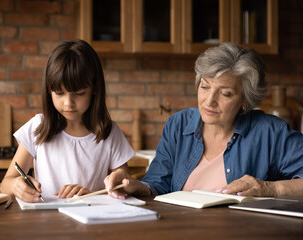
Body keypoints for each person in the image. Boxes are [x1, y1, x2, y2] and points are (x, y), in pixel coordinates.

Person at [105, 42, 303, 198]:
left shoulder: (269, 131)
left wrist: (271, 189)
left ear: (245, 101)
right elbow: (158, 184)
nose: (209, 101)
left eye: (225, 94)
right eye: (205, 87)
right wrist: (133, 185)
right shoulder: (178, 124)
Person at [0, 40, 135, 202]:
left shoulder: (109, 131)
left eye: (79, 93)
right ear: (49, 91)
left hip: (92, 220)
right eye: (59, 93)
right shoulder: (37, 127)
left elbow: (123, 185)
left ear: (94, 89)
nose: (68, 103)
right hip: (46, 221)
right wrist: (16, 185)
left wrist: (96, 192)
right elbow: (5, 184)